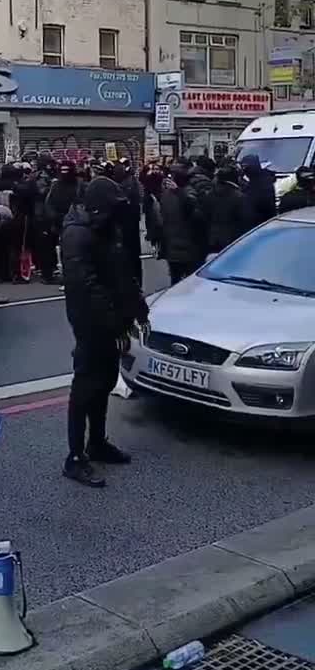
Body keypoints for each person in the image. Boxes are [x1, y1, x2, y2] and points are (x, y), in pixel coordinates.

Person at [61, 176, 148, 487]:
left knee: (106, 382)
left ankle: (96, 442)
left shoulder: (106, 229)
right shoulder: (77, 235)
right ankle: (74, 457)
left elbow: (122, 272)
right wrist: (113, 322)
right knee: (86, 387)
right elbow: (86, 288)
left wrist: (138, 306)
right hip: (90, 323)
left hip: (112, 321)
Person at [159, 163, 205, 283]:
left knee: (177, 281)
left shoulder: (169, 193)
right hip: (185, 245)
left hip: (176, 245)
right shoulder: (186, 193)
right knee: (188, 282)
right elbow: (197, 216)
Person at [111, 159, 143, 286]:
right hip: (131, 223)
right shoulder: (130, 181)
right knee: (133, 257)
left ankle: (133, 283)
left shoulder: (124, 184)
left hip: (127, 225)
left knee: (129, 256)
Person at [208, 162, 249, 252]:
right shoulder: (239, 197)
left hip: (212, 239)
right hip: (233, 241)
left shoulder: (210, 194)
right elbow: (245, 220)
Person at [240, 154, 277, 229]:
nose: (244, 170)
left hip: (260, 224)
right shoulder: (255, 180)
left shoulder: (262, 183)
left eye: (245, 167)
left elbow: (264, 205)